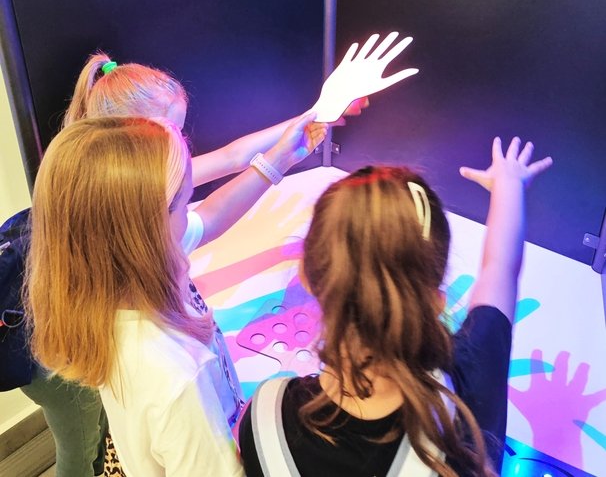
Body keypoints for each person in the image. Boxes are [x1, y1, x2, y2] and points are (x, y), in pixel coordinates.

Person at [25, 115, 326, 475]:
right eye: (184, 205)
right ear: (147, 233)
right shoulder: (178, 376)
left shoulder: (108, 280)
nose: (191, 215)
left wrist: (282, 157)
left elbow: (212, 217)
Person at [239, 137, 553, 477]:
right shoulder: (467, 387)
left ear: (307, 275)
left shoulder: (264, 418)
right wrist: (509, 185)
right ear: (434, 302)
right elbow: (500, 270)